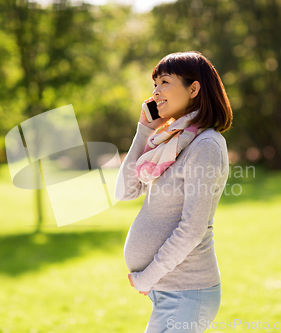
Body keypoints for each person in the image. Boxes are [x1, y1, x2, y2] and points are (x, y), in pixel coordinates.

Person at [114, 51, 233, 333]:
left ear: (193, 89)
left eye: (164, 82)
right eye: (154, 84)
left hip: (186, 291)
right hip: (171, 290)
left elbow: (192, 228)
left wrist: (146, 278)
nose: (155, 92)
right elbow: (125, 191)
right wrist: (143, 131)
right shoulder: (170, 142)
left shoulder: (205, 146)